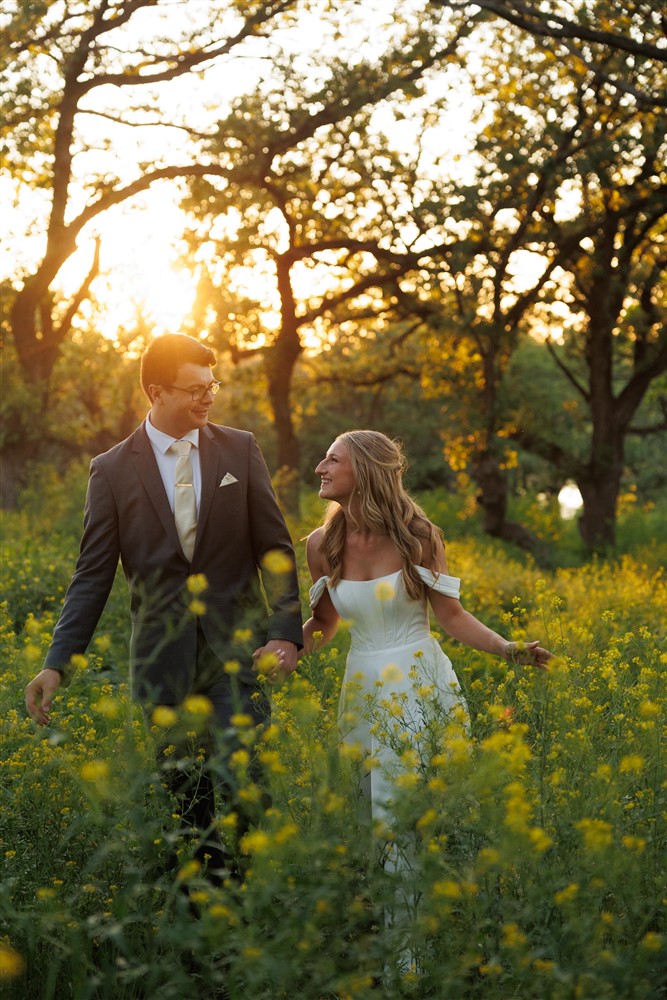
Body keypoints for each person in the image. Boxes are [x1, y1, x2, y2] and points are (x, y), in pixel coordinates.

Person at [25, 333, 303, 880]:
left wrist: (284, 631)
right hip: (162, 663)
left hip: (237, 652)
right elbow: (93, 573)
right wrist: (57, 661)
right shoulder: (110, 469)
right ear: (156, 392)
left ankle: (251, 909)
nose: (208, 398)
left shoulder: (240, 449)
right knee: (186, 799)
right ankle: (201, 919)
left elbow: (275, 547)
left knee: (243, 781)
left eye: (212, 386)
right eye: (195, 389)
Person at [302, 430, 552, 968]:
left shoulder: (418, 536)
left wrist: (509, 650)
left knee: (409, 820)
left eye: (332, 458)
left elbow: (451, 616)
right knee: (372, 822)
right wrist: (280, 652)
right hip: (362, 688)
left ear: (364, 470)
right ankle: (396, 943)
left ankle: (412, 962)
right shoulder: (320, 545)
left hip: (416, 681)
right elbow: (324, 624)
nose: (320, 466)